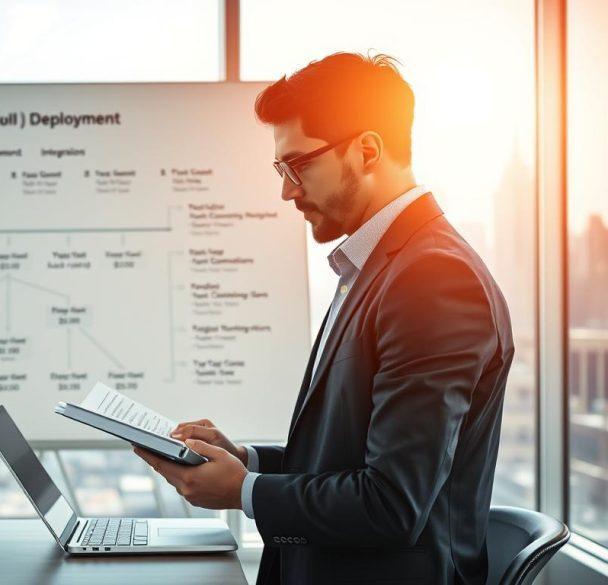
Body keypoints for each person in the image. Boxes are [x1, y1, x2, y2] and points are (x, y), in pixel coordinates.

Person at [132, 52, 514, 585]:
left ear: (367, 150)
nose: (287, 190)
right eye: (280, 169)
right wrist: (247, 460)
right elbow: (351, 453)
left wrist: (241, 491)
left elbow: (390, 503)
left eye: (299, 165)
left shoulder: (433, 280)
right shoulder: (380, 265)